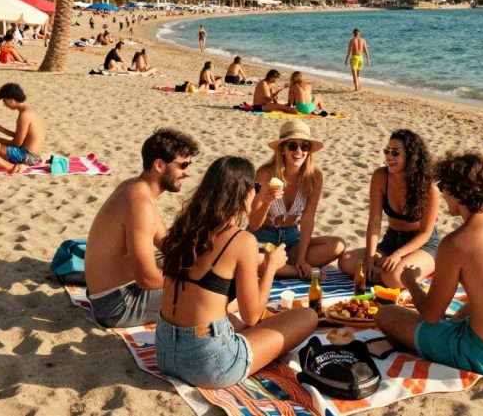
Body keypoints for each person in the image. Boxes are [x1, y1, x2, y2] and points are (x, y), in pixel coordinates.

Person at [156, 155, 318, 388]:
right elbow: (253, 315)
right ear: (245, 192)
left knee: (230, 312)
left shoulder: (183, 227)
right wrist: (271, 267)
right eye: (256, 187)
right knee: (307, 316)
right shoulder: (241, 240)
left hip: (163, 350)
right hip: (207, 363)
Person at [375, 152, 483, 377]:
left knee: (387, 315)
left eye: (443, 186)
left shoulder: (457, 242)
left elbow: (430, 315)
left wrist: (411, 282)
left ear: (457, 192)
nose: (441, 193)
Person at [85, 129, 200, 327]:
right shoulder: (140, 203)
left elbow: (166, 243)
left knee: (194, 266)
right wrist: (197, 280)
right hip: (117, 305)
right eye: (183, 165)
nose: (188, 172)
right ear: (159, 164)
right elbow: (147, 278)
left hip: (108, 293)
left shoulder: (135, 187)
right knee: (206, 295)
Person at [339, 129, 441, 289]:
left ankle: (408, 269)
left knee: (392, 277)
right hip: (392, 240)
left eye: (395, 153)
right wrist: (371, 257)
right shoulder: (380, 177)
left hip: (422, 244)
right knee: (346, 262)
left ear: (411, 155)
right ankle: (391, 271)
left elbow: (425, 233)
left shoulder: (429, 188)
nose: (389, 157)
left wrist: (398, 255)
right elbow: (374, 222)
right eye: (387, 151)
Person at [248, 121, 345, 279]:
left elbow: (307, 219)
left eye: (304, 146)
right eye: (293, 146)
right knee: (253, 260)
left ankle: (283, 267)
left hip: (292, 240)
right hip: (263, 239)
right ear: (282, 149)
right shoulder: (264, 174)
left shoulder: (315, 177)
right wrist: (267, 202)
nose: (299, 151)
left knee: (337, 245)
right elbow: (253, 223)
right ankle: (294, 271)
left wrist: (301, 257)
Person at [0, 83, 46, 167]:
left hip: (25, 157)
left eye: (5, 101)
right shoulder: (30, 110)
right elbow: (23, 137)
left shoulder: (24, 115)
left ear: (11, 100)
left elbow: (17, 143)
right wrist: (1, 129)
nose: (5, 105)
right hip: (33, 156)